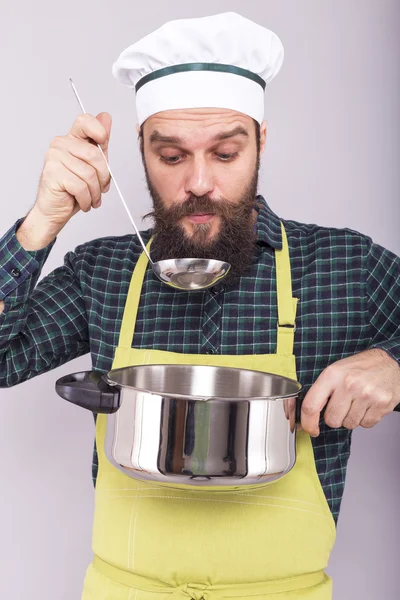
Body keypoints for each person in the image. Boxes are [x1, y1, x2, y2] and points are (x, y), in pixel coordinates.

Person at [0, 12, 399, 600]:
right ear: (139, 150)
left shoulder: (344, 265)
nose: (199, 183)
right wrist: (39, 224)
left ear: (261, 141)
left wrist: (395, 363)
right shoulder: (102, 272)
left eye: (226, 153)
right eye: (171, 156)